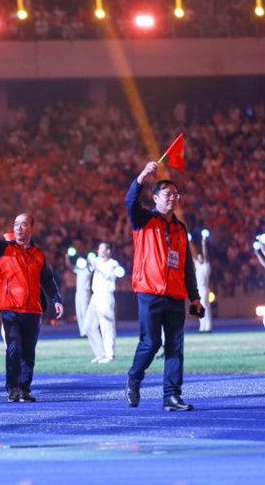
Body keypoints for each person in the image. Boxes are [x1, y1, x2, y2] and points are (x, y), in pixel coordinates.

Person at [124, 161, 202, 412]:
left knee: (175, 346)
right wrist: (142, 177)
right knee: (151, 343)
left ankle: (171, 396)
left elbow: (187, 266)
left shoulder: (180, 229)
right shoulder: (143, 220)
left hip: (175, 295)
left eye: (175, 195)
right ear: (155, 198)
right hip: (149, 291)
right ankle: (134, 378)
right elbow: (129, 202)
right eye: (167, 195)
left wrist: (195, 297)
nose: (172, 199)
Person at [0, 211, 63, 403]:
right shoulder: (3, 249)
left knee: (28, 352)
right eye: (16, 224)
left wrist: (56, 299)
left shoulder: (38, 255)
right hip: (10, 309)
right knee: (14, 348)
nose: (18, 227)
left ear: (31, 228)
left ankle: (24, 388)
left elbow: (47, 280)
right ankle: (13, 388)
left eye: (23, 224)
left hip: (33, 310)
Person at [84, 243, 121, 363]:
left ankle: (110, 355)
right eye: (99, 248)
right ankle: (100, 352)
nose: (99, 251)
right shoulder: (96, 260)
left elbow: (112, 275)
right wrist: (89, 262)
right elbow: (89, 267)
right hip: (95, 296)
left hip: (106, 295)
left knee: (107, 326)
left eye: (102, 249)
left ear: (108, 251)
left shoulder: (113, 264)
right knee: (89, 325)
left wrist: (96, 266)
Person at [70, 252, 92, 337]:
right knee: (79, 312)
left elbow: (91, 266)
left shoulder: (88, 270)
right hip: (78, 293)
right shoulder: (79, 270)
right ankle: (82, 332)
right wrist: (67, 257)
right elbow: (70, 267)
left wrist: (89, 261)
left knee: (85, 312)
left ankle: (88, 332)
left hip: (85, 292)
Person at [194, 234, 212, 333]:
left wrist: (203, 243)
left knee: (205, 307)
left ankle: (207, 327)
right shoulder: (198, 267)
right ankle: (202, 327)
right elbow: (192, 256)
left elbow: (206, 256)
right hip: (199, 289)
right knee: (200, 308)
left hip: (204, 288)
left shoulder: (206, 267)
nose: (199, 258)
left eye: (200, 257)